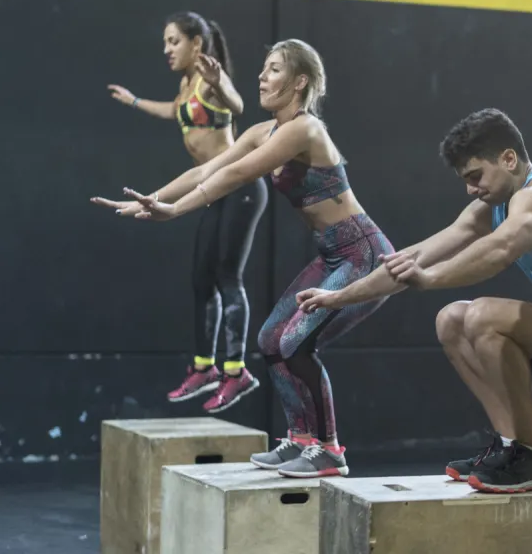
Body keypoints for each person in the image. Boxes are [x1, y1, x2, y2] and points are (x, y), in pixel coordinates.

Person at [296, 108, 532, 493]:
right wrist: (339, 297)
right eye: (465, 180)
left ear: (509, 159)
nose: (471, 189)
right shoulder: (491, 208)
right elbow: (414, 257)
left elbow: (501, 249)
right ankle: (511, 447)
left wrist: (430, 279)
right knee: (450, 319)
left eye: (476, 176)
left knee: (483, 315)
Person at [93, 39, 394, 479]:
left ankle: (329, 449)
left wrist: (176, 211)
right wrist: (149, 201)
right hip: (332, 255)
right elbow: (206, 170)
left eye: (273, 69)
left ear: (299, 82)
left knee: (296, 343)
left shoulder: (306, 129)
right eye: (264, 68)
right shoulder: (260, 132)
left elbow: (237, 174)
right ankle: (301, 440)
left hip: (362, 253)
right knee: (272, 339)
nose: (261, 76)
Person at [107, 11, 267, 413]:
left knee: (227, 277)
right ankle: (204, 367)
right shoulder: (186, 85)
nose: (167, 49)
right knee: (201, 280)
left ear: (197, 43)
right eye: (165, 42)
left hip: (240, 186)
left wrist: (220, 83)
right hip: (213, 190)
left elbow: (237, 103)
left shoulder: (211, 81)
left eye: (174, 41)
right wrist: (134, 101)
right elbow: (173, 110)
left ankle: (236, 371)